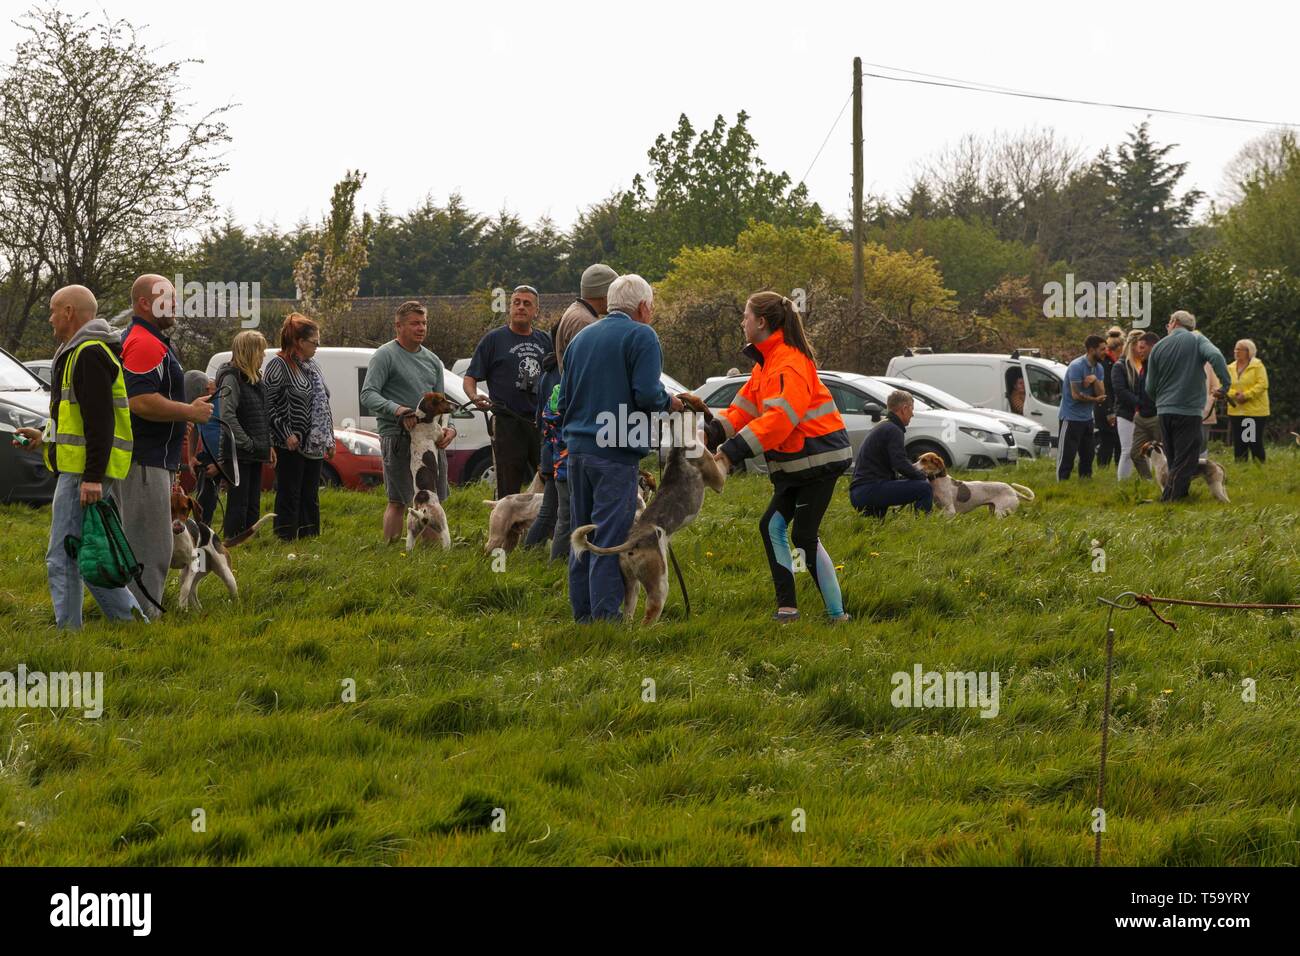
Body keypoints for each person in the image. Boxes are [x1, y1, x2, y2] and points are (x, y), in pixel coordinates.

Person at [705, 291, 853, 624]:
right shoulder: (767, 363)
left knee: (802, 536)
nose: (741, 322)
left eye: (745, 316)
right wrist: (711, 433)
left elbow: (779, 420)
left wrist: (729, 455)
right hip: (796, 465)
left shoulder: (788, 362)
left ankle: (837, 615)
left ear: (761, 322)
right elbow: (742, 409)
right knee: (771, 526)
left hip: (818, 462)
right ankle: (788, 610)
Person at [15, 285, 145, 629]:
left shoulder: (88, 353)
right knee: (93, 550)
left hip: (82, 476)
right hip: (85, 472)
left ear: (70, 311)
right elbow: (75, 419)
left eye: (53, 310)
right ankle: (132, 623)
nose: (50, 318)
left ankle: (68, 632)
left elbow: (99, 423)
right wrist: (44, 439)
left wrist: (90, 478)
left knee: (62, 556)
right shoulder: (78, 352)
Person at [559, 274, 683, 622]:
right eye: (652, 306)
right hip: (615, 450)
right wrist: (668, 402)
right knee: (610, 538)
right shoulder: (641, 334)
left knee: (580, 535)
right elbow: (646, 392)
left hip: (578, 448)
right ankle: (606, 620)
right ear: (643, 307)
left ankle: (582, 618)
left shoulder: (580, 338)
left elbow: (564, 399)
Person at [118, 274, 214, 616]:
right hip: (144, 461)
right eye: (168, 299)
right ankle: (140, 620)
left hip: (152, 460)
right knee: (149, 549)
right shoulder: (145, 343)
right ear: (146, 303)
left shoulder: (152, 340)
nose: (175, 305)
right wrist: (189, 411)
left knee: (150, 546)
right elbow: (140, 400)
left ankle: (135, 615)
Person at [360, 301, 456, 543]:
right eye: (415, 323)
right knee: (399, 500)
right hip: (398, 437)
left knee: (433, 498)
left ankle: (431, 559)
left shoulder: (433, 360)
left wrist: (449, 429)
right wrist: (398, 409)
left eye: (424, 323)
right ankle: (392, 553)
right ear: (398, 326)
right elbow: (368, 394)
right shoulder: (385, 355)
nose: (421, 328)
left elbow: (442, 403)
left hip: (431, 440)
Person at [464, 285, 552, 498]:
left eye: (527, 303)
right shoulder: (494, 340)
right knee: (507, 487)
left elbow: (558, 379)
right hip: (507, 423)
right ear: (510, 308)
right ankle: (502, 530)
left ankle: (543, 528)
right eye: (516, 302)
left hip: (540, 422)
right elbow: (469, 379)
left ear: (536, 311)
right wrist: (474, 396)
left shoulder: (545, 341)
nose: (521, 307)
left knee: (550, 480)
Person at [1145, 310, 1231, 502]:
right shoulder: (1197, 339)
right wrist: (1225, 385)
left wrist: (1160, 401)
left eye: (1169, 322)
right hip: (1189, 410)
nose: (1168, 325)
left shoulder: (1158, 347)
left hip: (1164, 411)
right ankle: (1171, 500)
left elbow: (1149, 386)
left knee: (1174, 458)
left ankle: (1177, 497)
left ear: (1175, 322)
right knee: (1187, 459)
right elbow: (1216, 356)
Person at [264, 313, 335, 539]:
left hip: (313, 443)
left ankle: (310, 538)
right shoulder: (278, 365)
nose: (317, 347)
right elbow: (267, 404)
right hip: (290, 444)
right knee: (289, 493)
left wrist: (329, 438)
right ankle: (285, 539)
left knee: (310, 494)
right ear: (299, 342)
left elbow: (323, 401)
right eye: (314, 342)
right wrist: (285, 434)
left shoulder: (313, 365)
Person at [214, 330, 275, 541]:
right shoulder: (231, 378)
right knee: (238, 502)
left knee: (252, 501)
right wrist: (247, 443)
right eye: (261, 351)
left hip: (256, 450)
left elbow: (262, 415)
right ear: (249, 352)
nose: (263, 356)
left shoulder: (256, 379)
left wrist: (269, 446)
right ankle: (233, 543)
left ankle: (250, 542)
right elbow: (227, 416)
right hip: (238, 452)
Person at [847, 390, 933, 518]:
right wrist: (921, 476)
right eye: (911, 409)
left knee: (874, 526)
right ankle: (921, 528)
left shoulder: (883, 425)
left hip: (859, 492)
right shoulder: (893, 430)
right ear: (904, 409)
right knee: (924, 488)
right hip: (870, 490)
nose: (912, 414)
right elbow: (900, 463)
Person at [523, 349, 571, 560]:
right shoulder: (562, 373)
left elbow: (539, 416)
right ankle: (555, 558)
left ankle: (531, 553)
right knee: (559, 513)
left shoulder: (547, 371)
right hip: (561, 454)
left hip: (550, 451)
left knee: (550, 510)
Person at [1056, 335, 1107, 481]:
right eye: (1102, 349)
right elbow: (1076, 395)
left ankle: (1085, 483)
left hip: (1087, 418)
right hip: (1070, 418)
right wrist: (1095, 399)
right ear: (1092, 350)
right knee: (1067, 456)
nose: (1105, 352)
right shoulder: (1076, 366)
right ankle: (1062, 485)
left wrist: (1095, 380)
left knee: (1088, 456)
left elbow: (1102, 393)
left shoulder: (1099, 368)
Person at [554, 264, 617, 371]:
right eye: (616, 292)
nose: (617, 298)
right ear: (605, 294)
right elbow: (586, 371)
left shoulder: (577, 311)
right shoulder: (584, 322)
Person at [185, 371, 222, 524]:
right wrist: (191, 457)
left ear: (207, 390)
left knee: (238, 502)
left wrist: (221, 464)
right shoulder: (197, 398)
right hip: (208, 457)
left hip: (227, 458)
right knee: (204, 501)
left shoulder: (221, 400)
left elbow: (229, 433)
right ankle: (202, 533)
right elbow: (193, 427)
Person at [1227, 339, 1269, 462]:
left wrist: (1246, 395)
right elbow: (1224, 385)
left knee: (1253, 441)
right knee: (1239, 442)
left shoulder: (1257, 366)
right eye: (1236, 349)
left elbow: (1262, 384)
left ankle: (1259, 468)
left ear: (1249, 352)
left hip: (1254, 411)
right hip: (1236, 411)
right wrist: (1235, 394)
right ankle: (1241, 468)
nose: (1236, 351)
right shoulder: (1230, 367)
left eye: (1240, 349)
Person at [1093, 327, 1123, 468]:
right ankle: (1104, 467)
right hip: (1105, 408)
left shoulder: (1109, 363)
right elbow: (1105, 390)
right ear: (1119, 348)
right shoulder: (1107, 364)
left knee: (1113, 440)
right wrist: (1110, 411)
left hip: (1107, 407)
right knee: (1109, 440)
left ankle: (1113, 467)